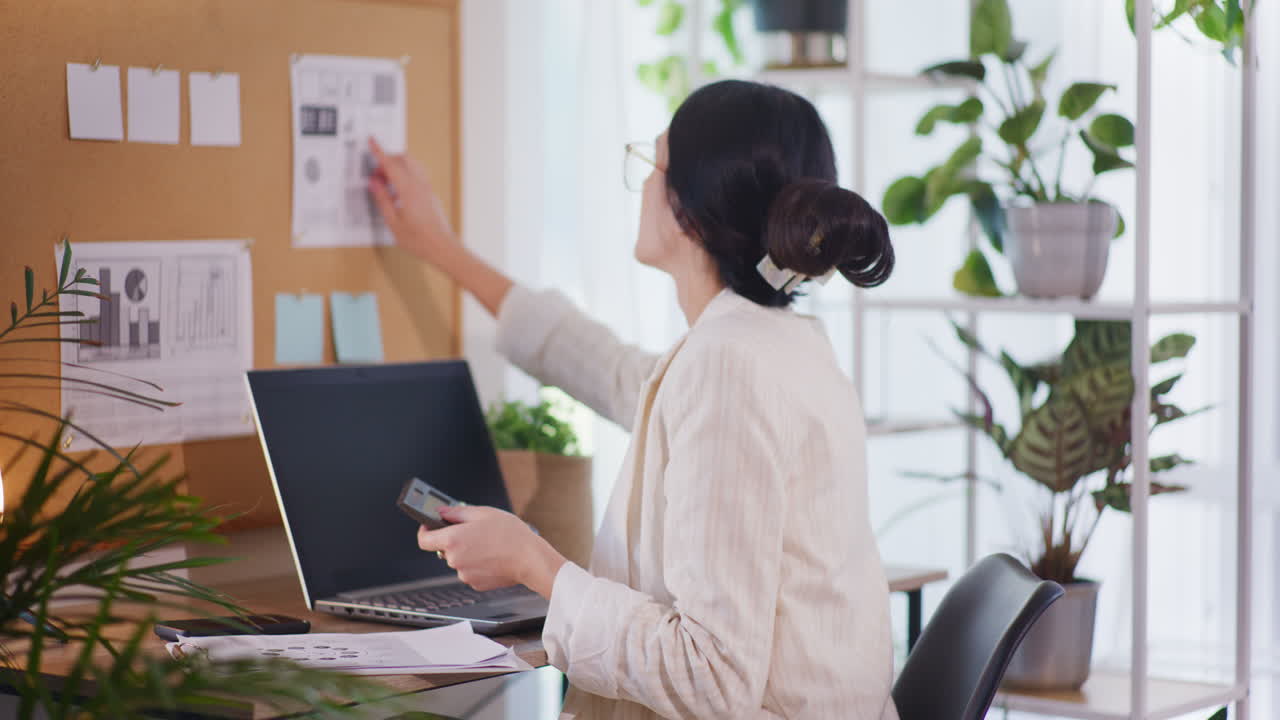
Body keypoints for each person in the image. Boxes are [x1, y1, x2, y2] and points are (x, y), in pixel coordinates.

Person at [368, 79, 899, 720]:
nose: (644, 182)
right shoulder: (776, 344)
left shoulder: (728, 365)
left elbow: (712, 676)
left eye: (655, 163)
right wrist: (440, 249)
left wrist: (534, 564)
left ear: (691, 210)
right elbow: (612, 370)